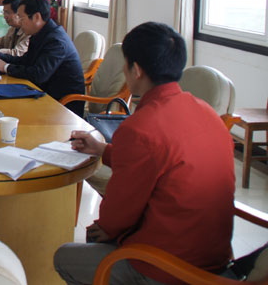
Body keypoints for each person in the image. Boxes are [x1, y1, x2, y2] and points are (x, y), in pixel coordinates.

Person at [54, 22, 236, 285]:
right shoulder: (207, 112)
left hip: (166, 266)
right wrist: (103, 150)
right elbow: (160, 158)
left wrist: (107, 227)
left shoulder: (141, 127)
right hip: (215, 259)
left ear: (136, 70)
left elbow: (116, 215)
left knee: (64, 256)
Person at [0, 0, 85, 115]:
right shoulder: (40, 33)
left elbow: (38, 75)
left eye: (21, 18)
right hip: (42, 93)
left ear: (36, 17)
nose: (19, 22)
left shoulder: (56, 41)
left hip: (62, 106)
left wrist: (6, 67)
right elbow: (25, 60)